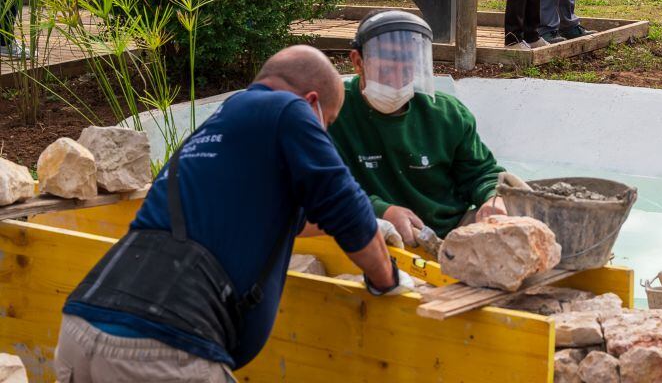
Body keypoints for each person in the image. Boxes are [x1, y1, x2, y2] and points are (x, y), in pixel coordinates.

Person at [55, 45, 410, 382]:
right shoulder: (289, 109)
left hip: (82, 328)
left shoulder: (217, 129)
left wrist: (376, 227)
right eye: (327, 123)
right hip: (161, 349)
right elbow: (343, 204)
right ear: (312, 103)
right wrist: (387, 279)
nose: (323, 132)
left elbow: (295, 220)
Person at [329, 10, 508, 245]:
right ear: (358, 62)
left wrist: (491, 199)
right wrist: (379, 210)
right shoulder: (332, 111)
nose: (396, 79)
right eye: (386, 69)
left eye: (406, 69)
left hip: (450, 232)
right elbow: (319, 185)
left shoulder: (447, 114)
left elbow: (481, 172)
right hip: (370, 232)